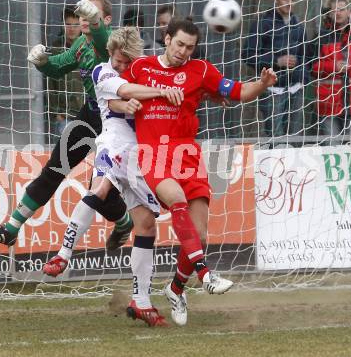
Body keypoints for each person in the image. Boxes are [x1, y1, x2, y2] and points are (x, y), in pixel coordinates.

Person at [114, 18, 277, 325]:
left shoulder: (200, 70)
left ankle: (176, 289)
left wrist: (262, 84)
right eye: (179, 44)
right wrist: (152, 94)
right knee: (175, 199)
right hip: (153, 154)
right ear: (166, 39)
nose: (183, 51)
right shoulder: (142, 67)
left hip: (187, 154)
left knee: (200, 235)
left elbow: (238, 92)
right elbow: (120, 92)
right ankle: (206, 274)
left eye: (189, 47)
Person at [42, 27, 183, 326]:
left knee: (145, 225)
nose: (118, 66)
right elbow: (123, 94)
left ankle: (141, 301)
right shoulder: (101, 73)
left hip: (141, 156)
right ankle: (63, 254)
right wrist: (153, 93)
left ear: (134, 57)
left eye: (124, 61)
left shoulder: (145, 70)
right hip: (114, 144)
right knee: (101, 188)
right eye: (116, 60)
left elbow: (142, 95)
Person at [0, 0, 133, 251]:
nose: (84, 18)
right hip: (91, 114)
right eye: (82, 14)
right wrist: (44, 63)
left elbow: (104, 42)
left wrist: (95, 24)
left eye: (91, 14)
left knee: (103, 193)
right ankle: (10, 229)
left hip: (116, 122)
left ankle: (125, 221)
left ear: (106, 19)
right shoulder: (81, 43)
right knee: (53, 170)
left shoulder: (113, 43)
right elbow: (60, 66)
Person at [243, 0, 308, 139]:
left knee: (296, 137)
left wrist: (302, 77)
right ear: (276, 0)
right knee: (275, 136)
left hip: (296, 88)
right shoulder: (262, 23)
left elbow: (307, 56)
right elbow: (247, 55)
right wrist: (276, 61)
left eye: (292, 0)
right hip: (272, 89)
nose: (289, 3)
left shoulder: (298, 26)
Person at [311, 0, 351, 145]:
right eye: (334, 10)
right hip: (329, 104)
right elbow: (311, 67)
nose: (338, 13)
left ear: (350, 12)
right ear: (330, 14)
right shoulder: (321, 36)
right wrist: (333, 67)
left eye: (342, 9)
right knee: (332, 148)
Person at [47, 6, 83, 140]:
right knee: (67, 155)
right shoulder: (55, 51)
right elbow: (50, 86)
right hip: (66, 116)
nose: (72, 28)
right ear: (63, 25)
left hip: (88, 113)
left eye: (76, 25)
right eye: (68, 24)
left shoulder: (89, 49)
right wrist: (57, 113)